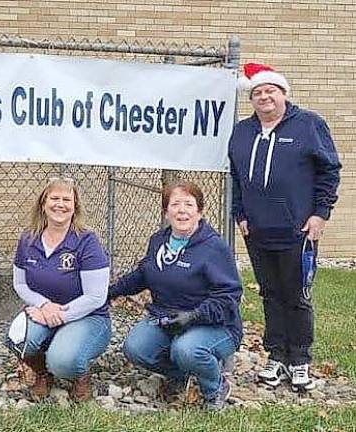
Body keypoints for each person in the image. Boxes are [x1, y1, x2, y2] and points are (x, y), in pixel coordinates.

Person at [230, 63, 341, 391]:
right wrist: (240, 214)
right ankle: (276, 356)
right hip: (258, 231)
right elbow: (236, 176)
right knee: (270, 294)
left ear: (283, 94)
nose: (264, 97)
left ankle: (301, 359)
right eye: (257, 93)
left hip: (298, 231)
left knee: (297, 295)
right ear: (251, 99)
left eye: (270, 91)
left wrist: (320, 214)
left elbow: (329, 171)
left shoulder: (309, 125)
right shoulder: (242, 132)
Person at [108, 182, 243, 411]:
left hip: (215, 324)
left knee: (186, 350)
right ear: (166, 211)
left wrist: (194, 315)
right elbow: (143, 274)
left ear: (199, 212)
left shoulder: (214, 248)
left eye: (189, 204)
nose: (182, 210)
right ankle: (183, 374)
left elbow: (228, 297)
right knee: (135, 348)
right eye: (175, 204)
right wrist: (110, 292)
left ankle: (215, 386)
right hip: (168, 319)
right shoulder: (158, 241)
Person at [7, 177, 111, 402]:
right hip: (45, 312)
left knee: (62, 361)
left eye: (67, 199)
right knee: (16, 340)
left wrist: (57, 315)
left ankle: (79, 374)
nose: (60, 204)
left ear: (75, 206)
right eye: (54, 198)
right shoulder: (28, 239)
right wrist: (43, 305)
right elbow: (20, 284)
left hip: (87, 316)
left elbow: (96, 296)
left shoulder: (87, 241)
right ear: (43, 204)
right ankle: (42, 372)